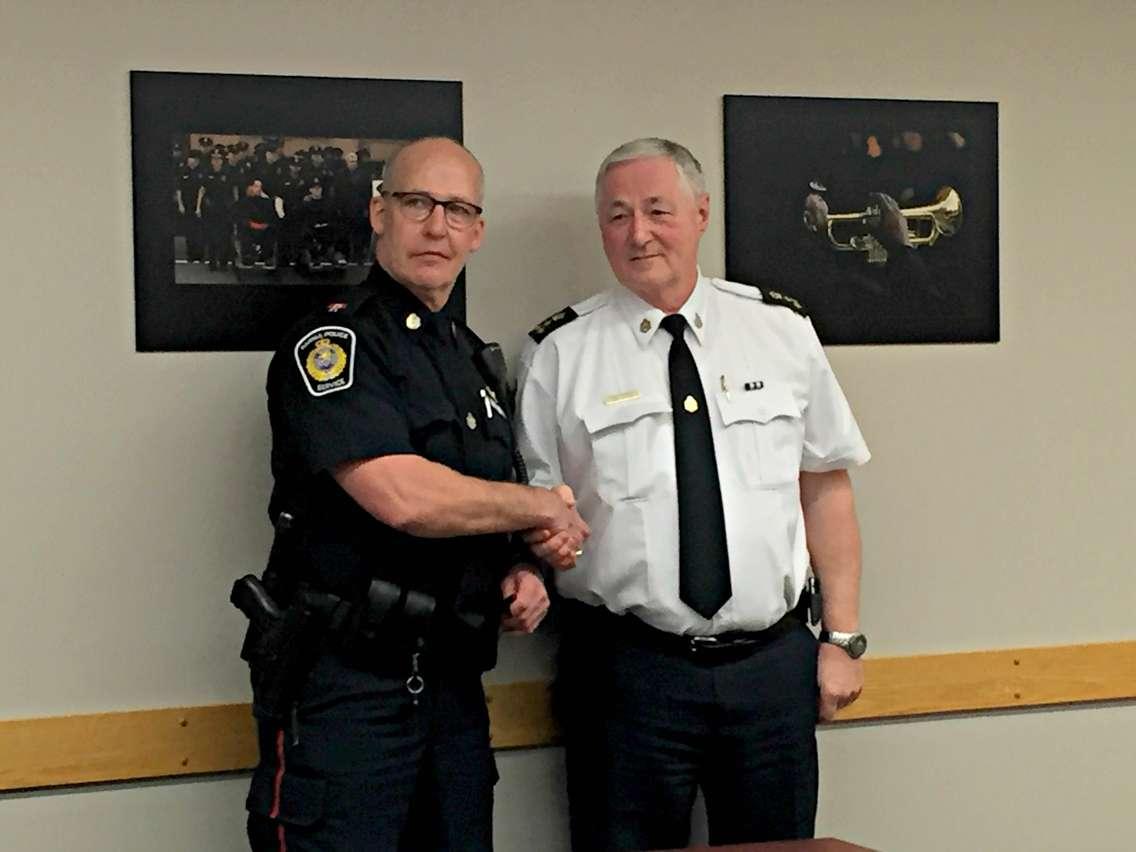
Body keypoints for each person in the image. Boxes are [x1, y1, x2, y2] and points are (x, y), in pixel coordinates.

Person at [516, 138, 870, 851]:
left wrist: (842, 639)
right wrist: (541, 543)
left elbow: (826, 489)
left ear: (702, 213)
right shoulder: (561, 351)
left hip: (770, 670)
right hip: (627, 674)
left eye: (657, 210)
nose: (637, 233)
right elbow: (532, 508)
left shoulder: (780, 330)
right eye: (617, 217)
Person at [243, 137, 588, 852]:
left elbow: (485, 505)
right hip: (347, 689)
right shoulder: (333, 345)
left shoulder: (472, 362)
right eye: (418, 203)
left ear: (478, 231)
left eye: (458, 209)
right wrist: (541, 508)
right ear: (379, 212)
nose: (438, 226)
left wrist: (522, 569)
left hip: (454, 688)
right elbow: (403, 497)